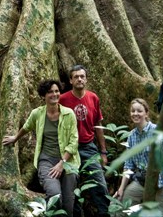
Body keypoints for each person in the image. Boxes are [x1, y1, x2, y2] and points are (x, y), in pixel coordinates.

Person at [3, 79, 80, 216]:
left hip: (68, 162)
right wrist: (15, 138)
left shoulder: (69, 114)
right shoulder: (37, 113)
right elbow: (27, 127)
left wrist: (62, 163)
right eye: (50, 92)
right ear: (43, 95)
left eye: (57, 91)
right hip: (47, 161)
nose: (54, 94)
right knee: (55, 195)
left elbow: (74, 142)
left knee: (69, 202)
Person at [114, 98, 163, 216]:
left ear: (146, 113)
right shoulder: (131, 136)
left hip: (162, 180)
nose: (135, 114)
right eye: (133, 111)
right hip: (142, 181)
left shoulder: (157, 131)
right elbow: (128, 165)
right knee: (119, 207)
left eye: (139, 111)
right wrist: (121, 188)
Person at [59, 65, 110, 217]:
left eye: (82, 76)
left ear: (86, 79)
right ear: (70, 80)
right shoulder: (63, 99)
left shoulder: (93, 98)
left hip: (89, 146)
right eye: (76, 76)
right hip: (70, 149)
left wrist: (103, 152)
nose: (79, 79)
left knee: (99, 183)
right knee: (70, 184)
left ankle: (104, 213)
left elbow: (98, 126)